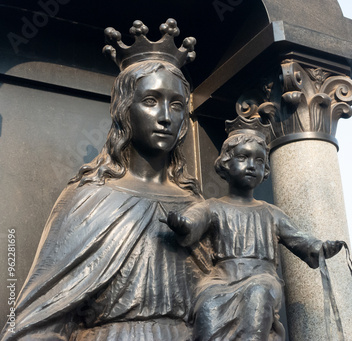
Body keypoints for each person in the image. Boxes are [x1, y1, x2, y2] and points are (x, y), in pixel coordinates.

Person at [1, 20, 202, 341]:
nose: (165, 115)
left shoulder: (196, 207)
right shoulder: (90, 200)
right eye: (150, 101)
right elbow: (35, 322)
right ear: (125, 109)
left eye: (176, 105)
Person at [164, 116, 344, 341]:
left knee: (259, 292)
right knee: (208, 303)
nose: (251, 165)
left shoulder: (271, 212)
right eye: (243, 157)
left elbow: (299, 238)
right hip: (221, 279)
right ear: (226, 164)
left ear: (265, 169)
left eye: (259, 160)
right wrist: (182, 224)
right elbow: (193, 223)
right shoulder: (212, 207)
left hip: (262, 276)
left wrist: (319, 247)